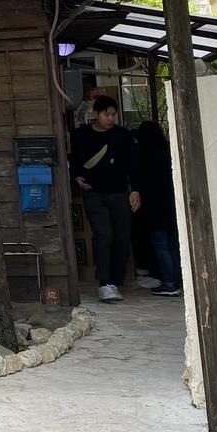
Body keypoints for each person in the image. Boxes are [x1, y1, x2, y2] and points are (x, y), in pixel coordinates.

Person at [70, 95, 140, 303]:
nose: (110, 118)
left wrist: (135, 190)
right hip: (94, 193)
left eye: (113, 114)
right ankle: (105, 282)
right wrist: (77, 177)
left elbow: (133, 164)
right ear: (96, 114)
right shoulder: (81, 135)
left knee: (122, 237)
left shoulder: (122, 135)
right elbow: (74, 160)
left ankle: (116, 281)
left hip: (120, 192)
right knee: (103, 235)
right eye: (106, 114)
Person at [135, 121, 182, 297]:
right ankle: (177, 280)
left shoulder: (143, 155)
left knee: (161, 245)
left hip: (154, 207)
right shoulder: (169, 152)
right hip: (171, 204)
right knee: (172, 246)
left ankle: (169, 283)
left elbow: (142, 181)